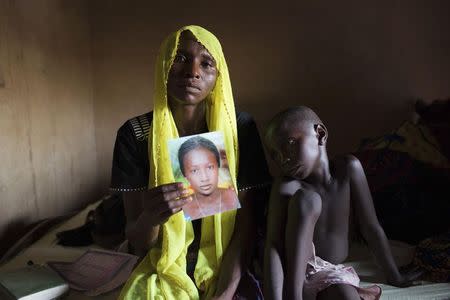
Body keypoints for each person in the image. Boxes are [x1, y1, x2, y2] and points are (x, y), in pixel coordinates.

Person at [110, 25, 271, 299]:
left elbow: (245, 228)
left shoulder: (239, 130)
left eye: (206, 63)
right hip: (164, 263)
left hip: (228, 262)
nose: (192, 71)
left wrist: (225, 293)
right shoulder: (135, 134)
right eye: (180, 58)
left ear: (218, 76)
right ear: (164, 64)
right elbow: (138, 242)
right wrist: (151, 217)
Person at [263, 106, 421, 300]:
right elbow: (273, 245)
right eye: (275, 155)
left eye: (289, 144)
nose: (283, 159)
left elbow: (370, 227)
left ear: (320, 134)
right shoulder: (287, 187)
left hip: (326, 272)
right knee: (308, 200)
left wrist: (395, 276)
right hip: (292, 277)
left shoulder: (348, 169)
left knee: (347, 295)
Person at [177, 135, 240, 220]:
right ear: (185, 175)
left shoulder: (232, 197)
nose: (204, 178)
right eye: (194, 170)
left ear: (218, 167)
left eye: (209, 167)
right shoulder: (182, 207)